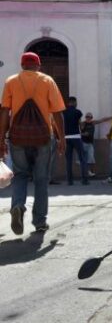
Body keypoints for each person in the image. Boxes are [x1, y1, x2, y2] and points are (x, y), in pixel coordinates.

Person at [0, 52, 65, 234]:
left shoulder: (11, 81)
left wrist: (1, 139)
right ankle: (39, 221)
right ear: (38, 65)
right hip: (43, 138)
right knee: (41, 180)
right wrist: (61, 138)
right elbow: (58, 113)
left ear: (22, 65)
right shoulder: (47, 81)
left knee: (20, 175)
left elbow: (4, 111)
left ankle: (18, 206)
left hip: (17, 137)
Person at [63, 96, 88, 185]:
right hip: (76, 137)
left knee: (68, 160)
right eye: (76, 102)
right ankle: (84, 179)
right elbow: (80, 125)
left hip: (66, 138)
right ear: (73, 102)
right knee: (82, 158)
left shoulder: (64, 112)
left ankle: (70, 181)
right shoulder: (78, 112)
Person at [80, 112, 111, 177]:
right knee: (83, 158)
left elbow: (102, 120)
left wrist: (111, 117)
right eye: (87, 117)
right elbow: (79, 131)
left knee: (91, 158)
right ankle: (85, 172)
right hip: (83, 143)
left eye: (90, 117)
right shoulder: (83, 123)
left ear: (92, 118)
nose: (88, 118)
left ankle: (91, 172)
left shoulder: (93, 123)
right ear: (85, 117)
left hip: (90, 143)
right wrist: (83, 133)